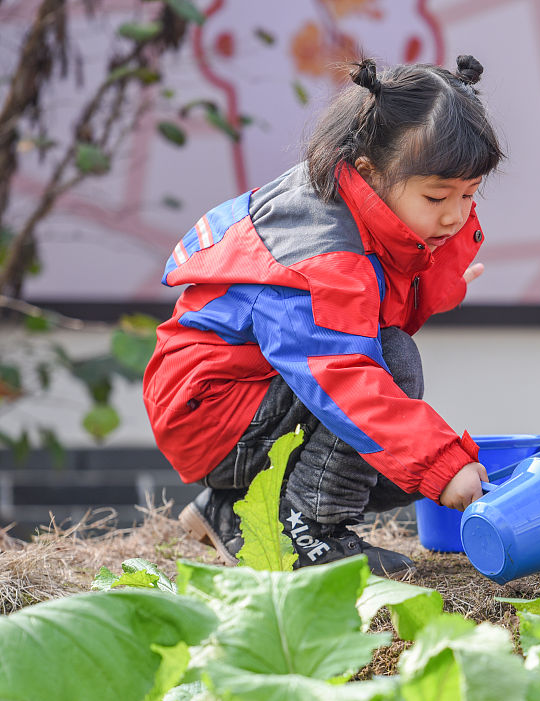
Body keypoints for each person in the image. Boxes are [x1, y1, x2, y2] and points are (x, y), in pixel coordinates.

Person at [143, 56, 503, 577]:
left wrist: (435, 279)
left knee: (396, 458)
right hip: (217, 412)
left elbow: (364, 310)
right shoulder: (320, 251)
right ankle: (310, 531)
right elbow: (342, 374)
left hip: (239, 401)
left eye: (469, 194)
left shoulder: (353, 200)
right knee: (393, 368)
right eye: (436, 196)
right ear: (370, 171)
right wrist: (443, 465)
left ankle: (233, 512)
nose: (455, 215)